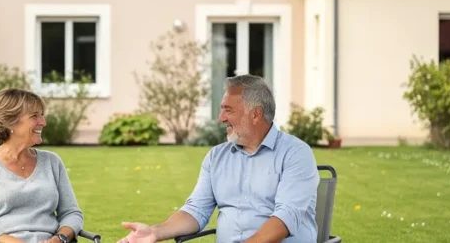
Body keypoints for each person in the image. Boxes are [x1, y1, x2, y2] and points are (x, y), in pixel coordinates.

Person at [118, 75, 320, 243]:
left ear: (256, 114)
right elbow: (196, 210)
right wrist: (155, 232)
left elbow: (284, 219)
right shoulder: (217, 157)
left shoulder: (296, 154)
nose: (220, 118)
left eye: (228, 110)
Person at [0, 88, 84, 243]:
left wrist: (59, 238)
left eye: (42, 115)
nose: (43, 122)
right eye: (34, 116)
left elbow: (72, 213)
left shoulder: (52, 161)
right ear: (10, 121)